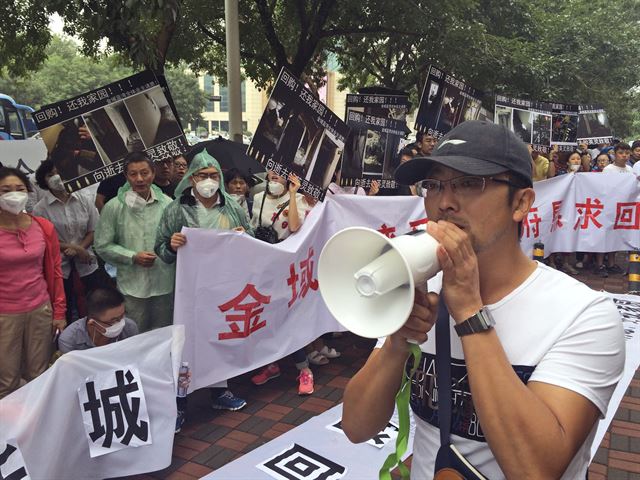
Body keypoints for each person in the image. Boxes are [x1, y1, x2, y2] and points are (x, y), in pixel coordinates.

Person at [341, 121, 625, 479]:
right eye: (434, 185)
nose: (444, 203)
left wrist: (470, 313)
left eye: (469, 183)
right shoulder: (422, 291)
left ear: (520, 202)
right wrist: (399, 341)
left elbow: (535, 469)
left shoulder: (584, 316)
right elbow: (356, 426)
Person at [155, 149, 250, 415]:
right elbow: (160, 247)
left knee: (219, 337)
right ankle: (180, 401)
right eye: (202, 175)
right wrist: (172, 246)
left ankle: (220, 391)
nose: (208, 180)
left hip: (224, 287)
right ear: (191, 178)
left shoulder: (232, 207)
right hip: (191, 290)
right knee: (186, 343)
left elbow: (252, 239)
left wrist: (244, 237)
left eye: (213, 175)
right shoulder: (176, 209)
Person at [0, 167, 66, 399]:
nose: (13, 195)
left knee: (37, 374)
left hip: (40, 309)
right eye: (5, 190)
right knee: (6, 379)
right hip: (5, 315)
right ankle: (7, 430)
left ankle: (36, 426)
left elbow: (55, 272)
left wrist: (59, 311)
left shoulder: (42, 227)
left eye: (19, 189)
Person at [250, 170, 315, 395]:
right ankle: (271, 364)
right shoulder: (258, 198)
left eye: (280, 173)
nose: (275, 176)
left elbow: (295, 227)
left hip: (287, 265)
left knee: (288, 318)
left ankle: (304, 370)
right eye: (271, 171)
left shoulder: (298, 199)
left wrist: (294, 193)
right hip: (263, 264)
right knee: (267, 317)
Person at [94, 151, 175, 333]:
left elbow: (175, 240)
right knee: (134, 334)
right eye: (133, 174)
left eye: (144, 173)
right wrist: (132, 256)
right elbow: (102, 245)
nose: (139, 179)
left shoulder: (168, 205)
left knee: (163, 336)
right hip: (132, 287)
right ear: (126, 176)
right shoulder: (114, 207)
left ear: (153, 173)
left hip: (164, 283)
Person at [33, 160, 109, 323]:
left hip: (87, 263)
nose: (56, 177)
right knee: (64, 309)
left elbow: (93, 230)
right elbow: (45, 238)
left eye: (58, 172)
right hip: (59, 266)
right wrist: (73, 248)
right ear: (43, 180)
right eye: (50, 175)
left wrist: (80, 249)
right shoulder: (40, 208)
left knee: (96, 305)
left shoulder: (83, 199)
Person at [58, 286, 137, 353]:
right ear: (92, 323)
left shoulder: (129, 327)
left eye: (122, 315)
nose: (121, 323)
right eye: (114, 320)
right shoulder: (70, 341)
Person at [595, 142, 634, 276]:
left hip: (623, 208)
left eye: (627, 153)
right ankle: (600, 264)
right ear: (615, 154)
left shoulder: (631, 170)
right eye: (621, 153)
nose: (624, 156)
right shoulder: (608, 169)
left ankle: (611, 263)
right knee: (604, 235)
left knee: (615, 236)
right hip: (608, 208)